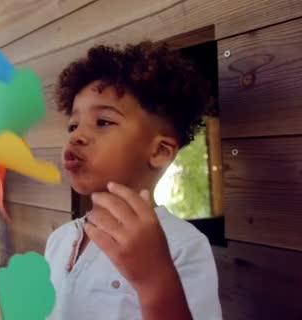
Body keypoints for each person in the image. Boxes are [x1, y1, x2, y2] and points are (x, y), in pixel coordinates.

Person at [44, 41, 222, 320]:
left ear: (159, 151)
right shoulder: (59, 241)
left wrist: (154, 280)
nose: (76, 136)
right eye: (73, 125)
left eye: (102, 122)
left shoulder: (182, 245)